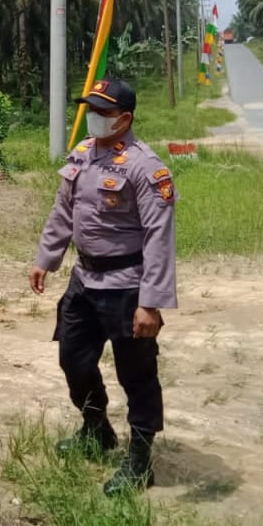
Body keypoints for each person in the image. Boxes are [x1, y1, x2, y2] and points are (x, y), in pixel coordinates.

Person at [28, 77, 178, 495]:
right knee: (73, 359)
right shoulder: (82, 154)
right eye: (89, 108)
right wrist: (47, 258)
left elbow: (159, 238)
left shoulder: (146, 167)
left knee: (137, 376)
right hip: (84, 279)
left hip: (127, 286)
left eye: (102, 112)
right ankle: (96, 429)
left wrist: (151, 303)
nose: (92, 117)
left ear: (124, 118)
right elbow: (63, 209)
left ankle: (140, 460)